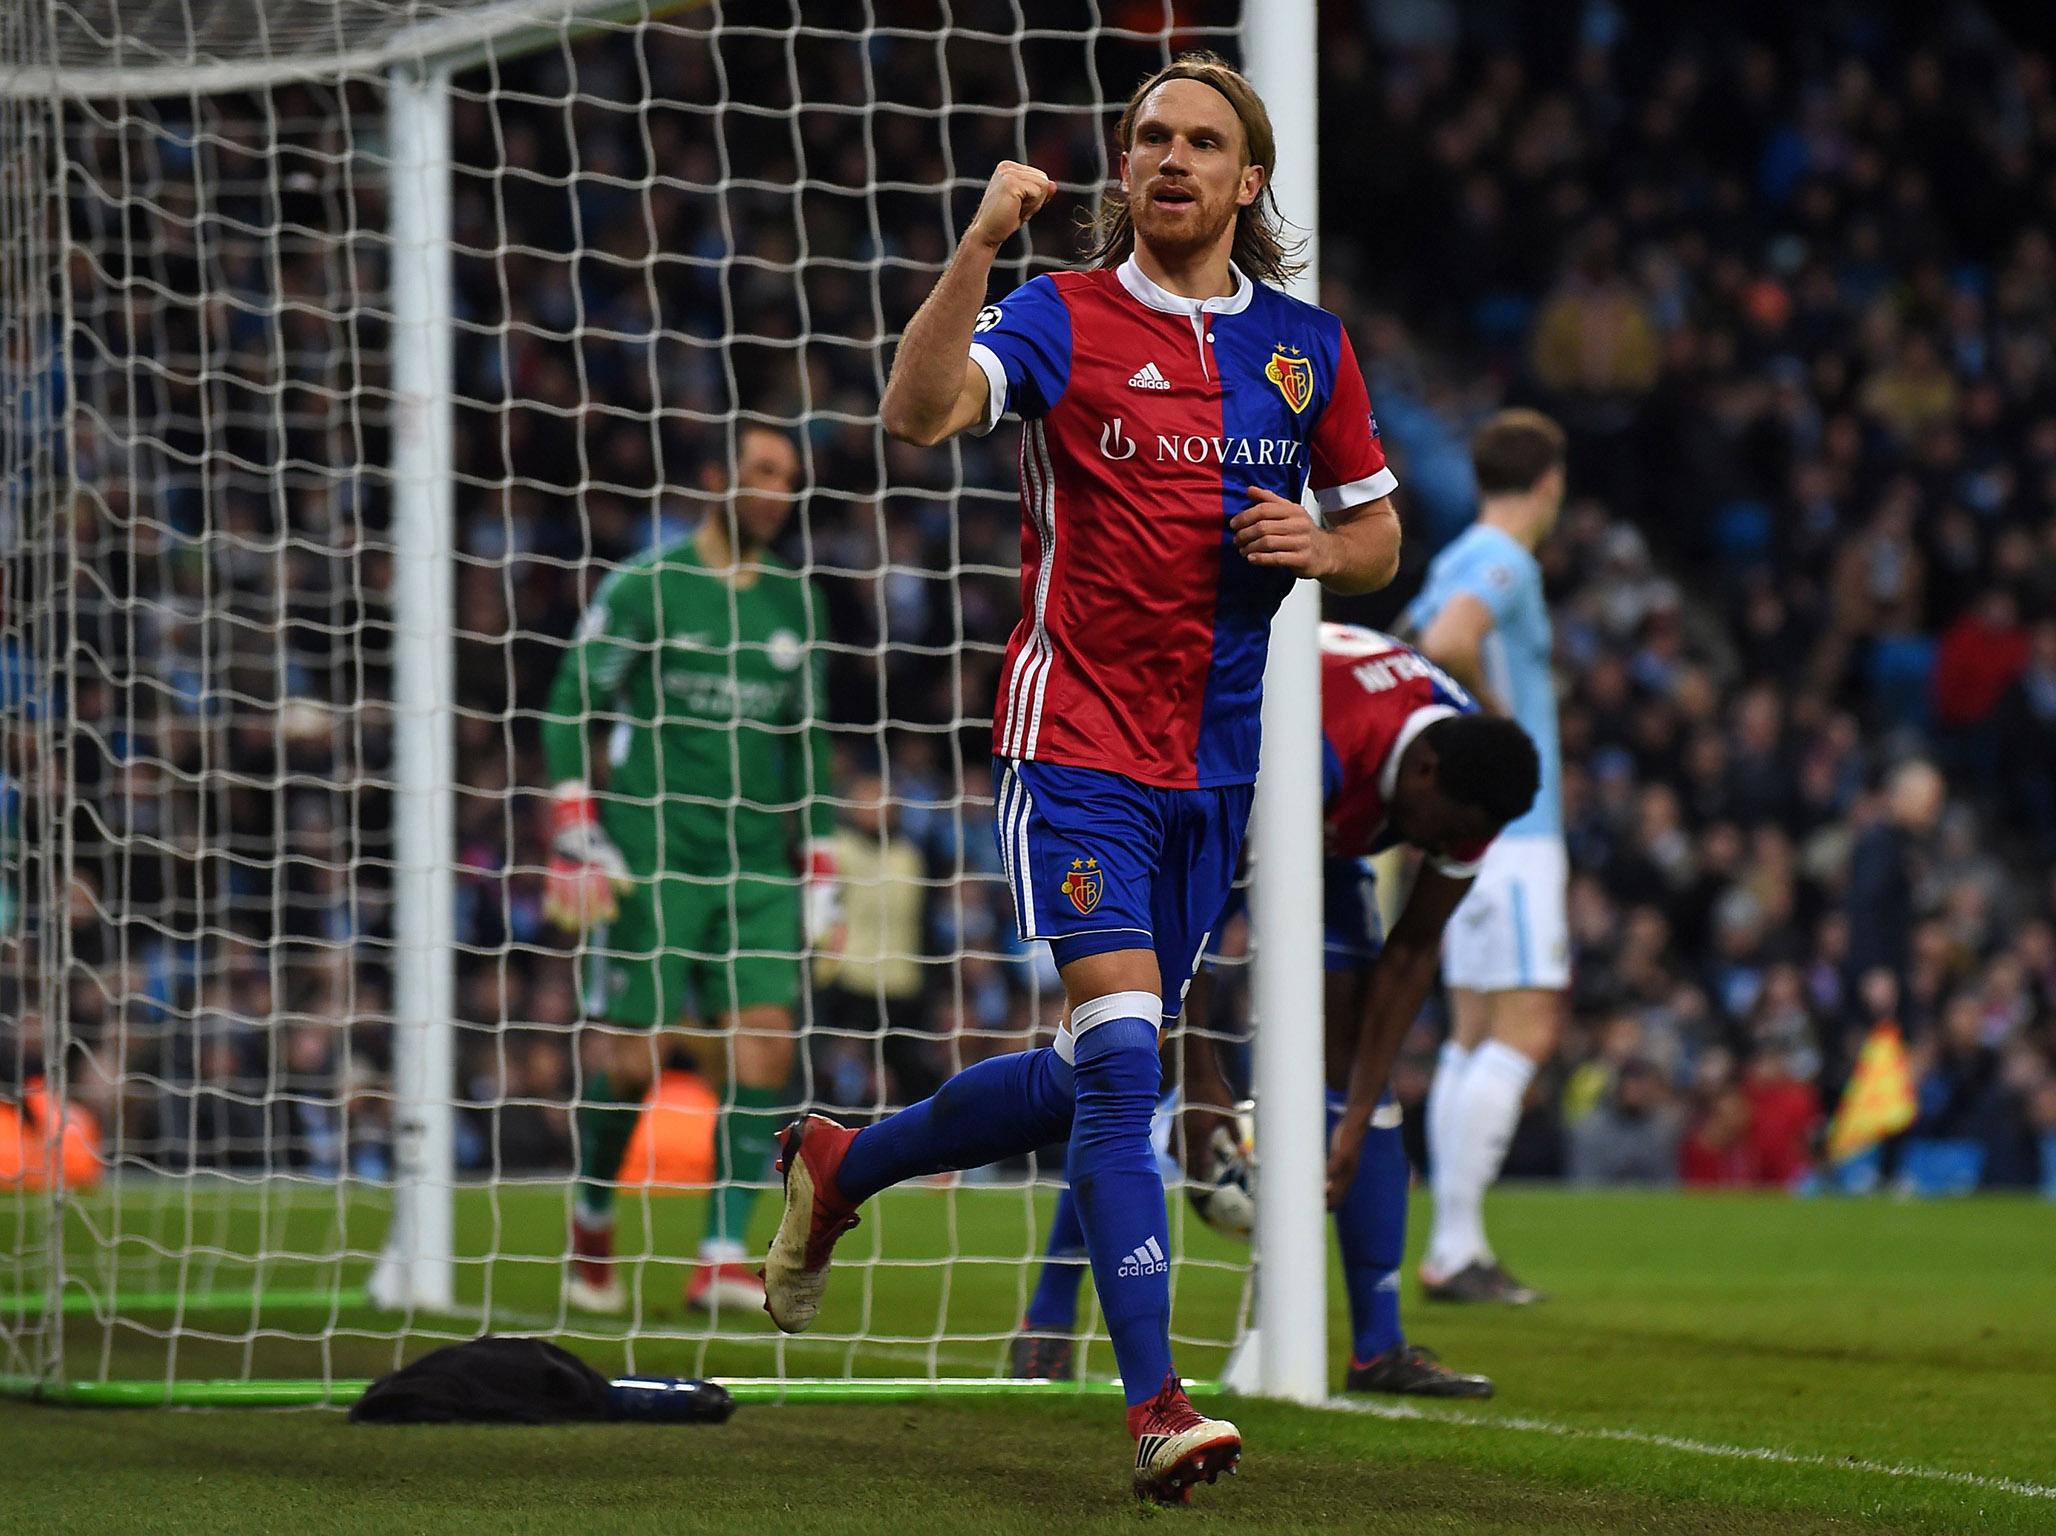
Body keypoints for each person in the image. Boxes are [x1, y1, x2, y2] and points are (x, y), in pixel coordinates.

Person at [761, 53, 1401, 1503]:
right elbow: (915, 416)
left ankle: (845, 1163)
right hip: (1076, 743)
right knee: (1126, 1069)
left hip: (1217, 767)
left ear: (1250, 181)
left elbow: (1375, 532)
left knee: (1084, 1080)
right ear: (1124, 171)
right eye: (1147, 139)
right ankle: (1158, 1406)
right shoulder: (1061, 315)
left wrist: (1321, 548)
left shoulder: (1307, 349)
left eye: (1200, 143)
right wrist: (982, 241)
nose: (1168, 159)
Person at [1011, 625, 1537, 1398]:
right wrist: (1200, 1084)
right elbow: (1203, 914)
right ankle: (1047, 1324)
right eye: (1447, 828)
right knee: (1132, 1046)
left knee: (1349, 1053)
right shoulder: (1312, 742)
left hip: (1322, 830)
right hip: (1197, 774)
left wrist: (1357, 1117)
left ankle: (1378, 1348)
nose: (1445, 846)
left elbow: (1414, 949)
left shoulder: (1473, 785)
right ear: (1422, 772)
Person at [541, 422, 839, 1317]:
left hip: (755, 866)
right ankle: (592, 1221)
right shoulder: (647, 587)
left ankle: (718, 1256)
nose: (776, 493)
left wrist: (821, 863)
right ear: (718, 479)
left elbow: (808, 744)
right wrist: (574, 821)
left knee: (763, 1047)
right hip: (655, 850)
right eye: (761, 473)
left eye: (788, 479)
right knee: (632, 1064)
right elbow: (571, 700)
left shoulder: (796, 603)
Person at [1404, 408, 1567, 1304]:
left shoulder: (1450, 556)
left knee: (1472, 1033)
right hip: (1517, 836)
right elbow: (1449, 641)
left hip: (1475, 836)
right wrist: (1500, 730)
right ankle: (1456, 1249)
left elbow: (1415, 641)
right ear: (1551, 482)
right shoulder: (1503, 562)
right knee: (1527, 1026)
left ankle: (1454, 1241)